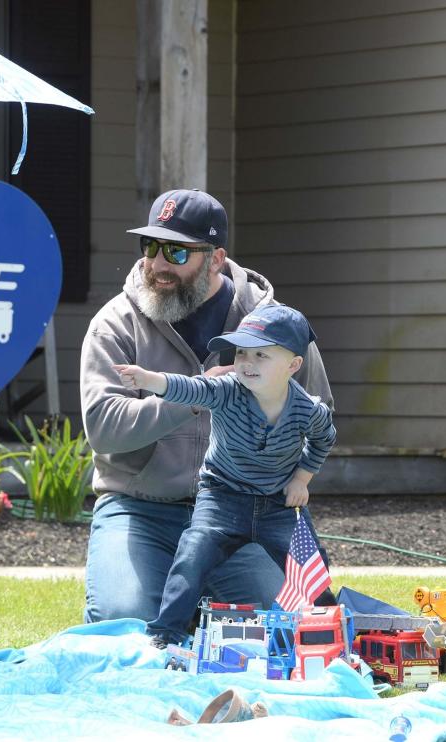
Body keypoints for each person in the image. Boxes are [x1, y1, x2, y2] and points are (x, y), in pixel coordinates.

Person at [80, 188, 334, 624]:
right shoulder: (114, 324)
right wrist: (194, 396)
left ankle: (199, 607)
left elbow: (319, 412)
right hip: (142, 510)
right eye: (151, 247)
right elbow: (104, 428)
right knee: (125, 622)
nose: (157, 264)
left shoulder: (278, 327)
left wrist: (283, 478)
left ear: (216, 259)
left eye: (177, 252)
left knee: (290, 624)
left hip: (244, 512)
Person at [113, 304, 336, 645]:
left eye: (261, 355)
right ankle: (165, 634)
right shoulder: (227, 390)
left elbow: (324, 439)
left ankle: (329, 634)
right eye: (242, 353)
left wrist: (302, 478)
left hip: (278, 504)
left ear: (293, 365)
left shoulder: (308, 410)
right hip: (222, 497)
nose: (247, 363)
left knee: (310, 566)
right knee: (193, 554)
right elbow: (191, 388)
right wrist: (150, 380)